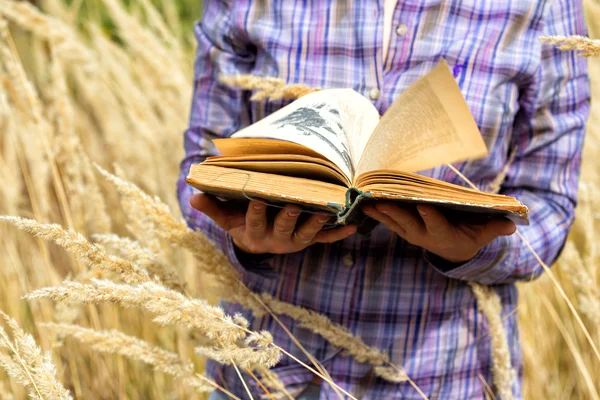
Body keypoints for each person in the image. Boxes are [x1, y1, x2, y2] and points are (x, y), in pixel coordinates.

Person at [177, 0, 590, 398]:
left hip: (445, 376)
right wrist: (242, 238)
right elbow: (203, 164)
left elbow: (549, 202)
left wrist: (473, 250)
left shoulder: (541, 5)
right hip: (270, 369)